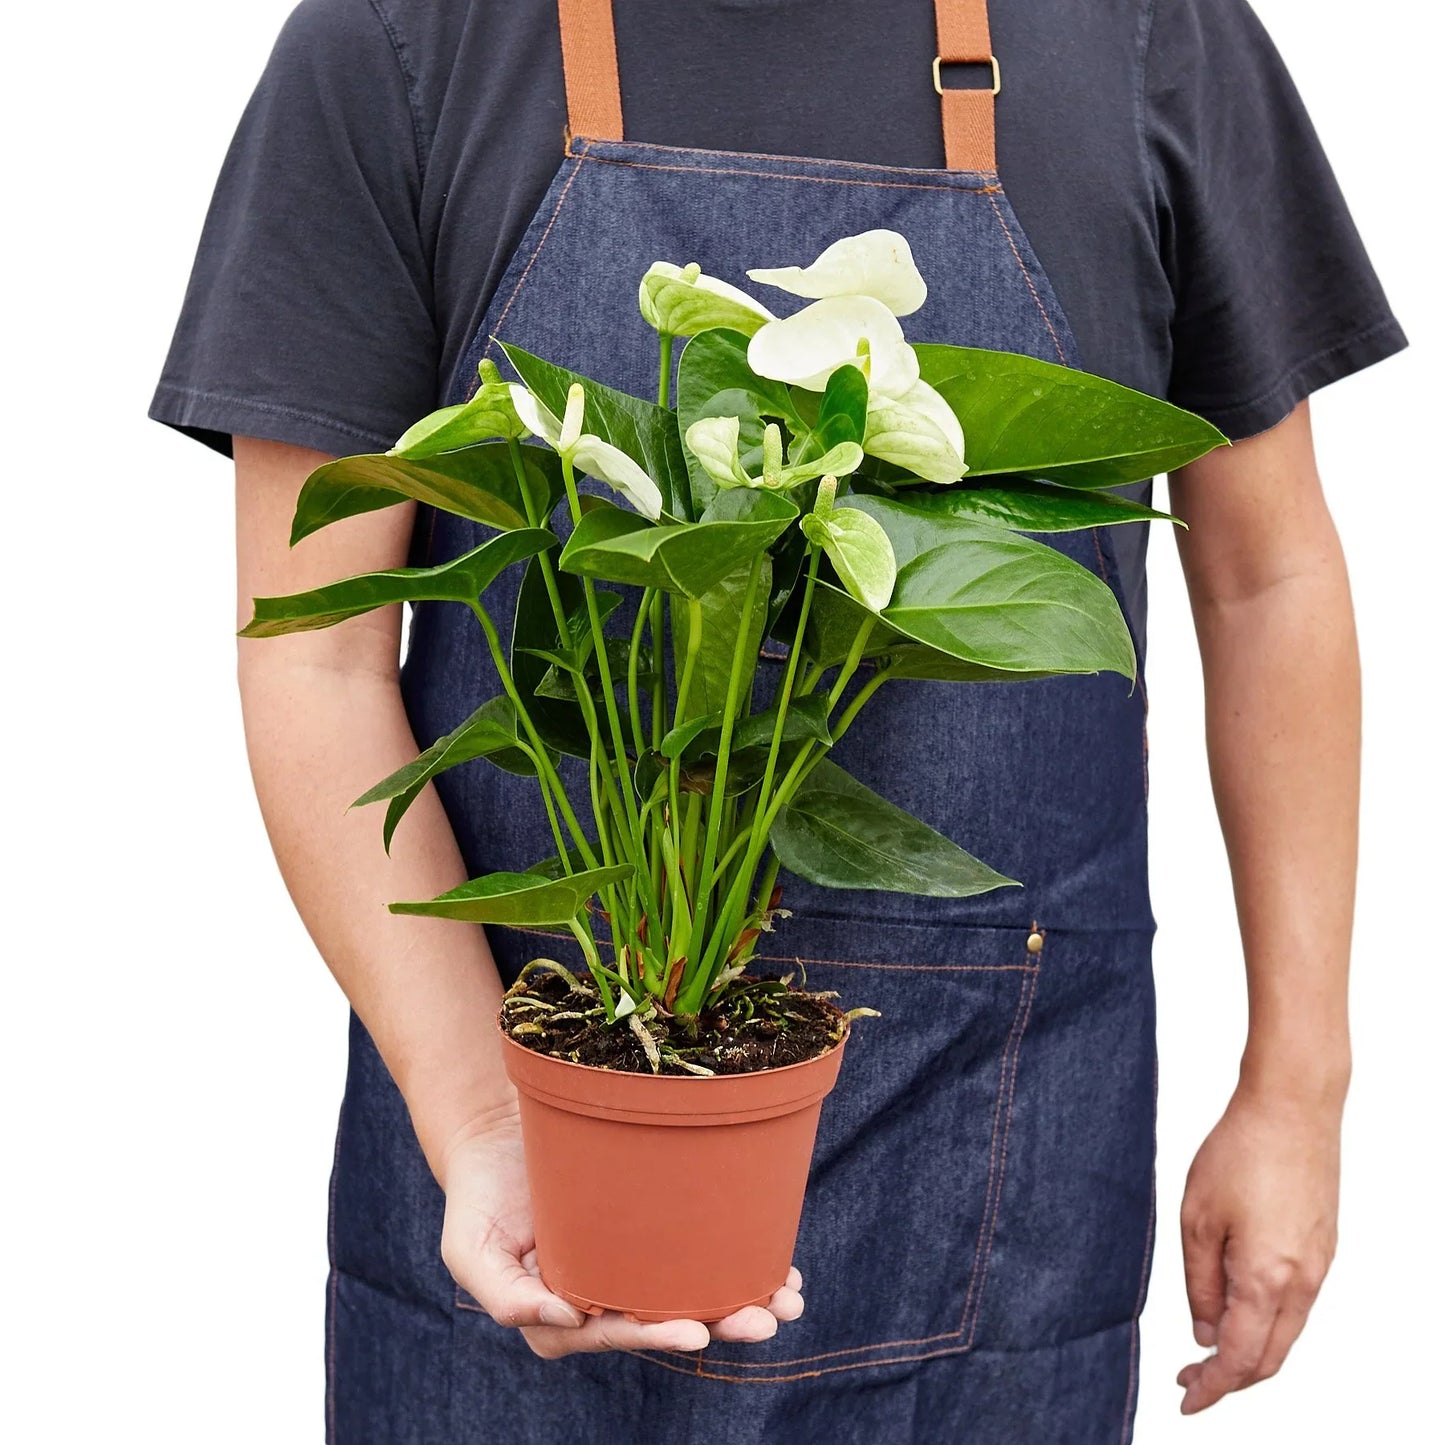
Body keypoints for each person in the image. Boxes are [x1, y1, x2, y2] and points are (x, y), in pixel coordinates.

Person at [151, 0, 1404, 1439]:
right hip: (511, 1144)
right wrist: (484, 1121)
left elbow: (1267, 581)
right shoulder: (406, 37)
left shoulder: (1144, 29)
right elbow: (314, 657)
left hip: (990, 1141)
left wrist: (1296, 1089)